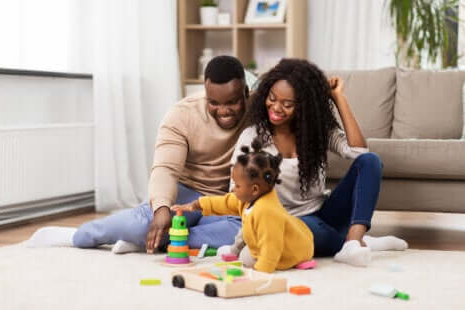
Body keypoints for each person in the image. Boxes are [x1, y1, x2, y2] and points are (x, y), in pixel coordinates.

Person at [27, 55, 251, 253]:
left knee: (249, 229)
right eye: (214, 102)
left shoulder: (257, 112)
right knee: (145, 223)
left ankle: (158, 240)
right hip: (185, 193)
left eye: (232, 102)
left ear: (246, 92)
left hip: (226, 200)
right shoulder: (182, 115)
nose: (223, 110)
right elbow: (165, 169)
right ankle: (77, 236)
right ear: (205, 93)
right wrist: (162, 208)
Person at [230, 58, 407, 267]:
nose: (276, 108)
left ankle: (353, 241)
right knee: (301, 231)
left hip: (324, 214)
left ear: (304, 107)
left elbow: (358, 151)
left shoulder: (317, 132)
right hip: (286, 224)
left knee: (370, 162)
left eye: (287, 104)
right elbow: (237, 191)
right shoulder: (252, 138)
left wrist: (338, 98)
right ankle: (355, 243)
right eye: (271, 98)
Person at [171, 138, 314, 273]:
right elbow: (224, 202)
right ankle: (236, 251)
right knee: (246, 243)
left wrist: (263, 270)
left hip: (294, 248)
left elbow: (272, 246)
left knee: (248, 259)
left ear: (254, 190)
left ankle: (298, 260)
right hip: (267, 235)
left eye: (237, 186)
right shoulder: (247, 198)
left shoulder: (267, 212)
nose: (233, 189)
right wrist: (197, 205)